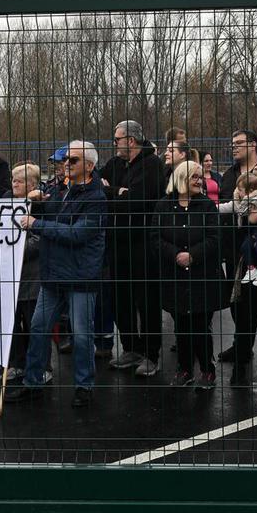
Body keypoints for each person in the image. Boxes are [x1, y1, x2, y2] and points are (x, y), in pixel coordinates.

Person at [6, 140, 108, 408]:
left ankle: (84, 386)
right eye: (65, 160)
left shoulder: (95, 197)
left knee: (83, 335)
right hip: (52, 276)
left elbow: (77, 234)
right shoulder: (55, 190)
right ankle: (33, 382)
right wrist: (35, 202)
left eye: (73, 160)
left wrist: (37, 223)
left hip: (80, 277)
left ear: (89, 165)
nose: (66, 164)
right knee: (39, 328)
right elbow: (48, 219)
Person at [100, 120, 166, 377]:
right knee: (120, 298)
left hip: (143, 243)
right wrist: (119, 192)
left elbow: (138, 203)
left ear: (131, 140)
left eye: (117, 140)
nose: (114, 144)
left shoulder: (153, 165)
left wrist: (113, 193)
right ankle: (131, 347)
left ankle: (151, 353)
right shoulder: (115, 164)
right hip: (117, 242)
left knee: (146, 299)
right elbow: (99, 189)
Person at [155, 160, 223, 391]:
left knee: (201, 324)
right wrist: (175, 254)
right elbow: (155, 237)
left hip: (202, 275)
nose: (199, 180)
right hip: (174, 276)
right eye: (194, 176)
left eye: (200, 177)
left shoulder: (206, 206)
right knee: (181, 325)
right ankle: (184, 370)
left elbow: (215, 238)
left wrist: (192, 255)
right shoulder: (163, 206)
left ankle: (207, 369)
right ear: (181, 178)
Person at [216, 129, 257, 383]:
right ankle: (242, 348)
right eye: (231, 143)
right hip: (234, 249)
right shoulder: (229, 176)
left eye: (239, 143)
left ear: (254, 144)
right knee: (238, 302)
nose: (233, 147)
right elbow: (226, 208)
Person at [4, 164, 45, 385]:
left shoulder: (39, 205)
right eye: (12, 180)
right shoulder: (5, 203)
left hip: (31, 276)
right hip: (10, 276)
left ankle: (41, 366)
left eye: (18, 181)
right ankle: (16, 364)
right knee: (12, 324)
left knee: (33, 324)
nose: (14, 184)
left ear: (31, 184)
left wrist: (15, 248)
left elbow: (40, 239)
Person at [217, 170, 257, 287]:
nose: (237, 192)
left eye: (240, 189)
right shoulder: (240, 201)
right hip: (251, 230)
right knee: (245, 246)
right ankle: (251, 269)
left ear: (250, 191)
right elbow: (227, 207)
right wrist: (213, 208)